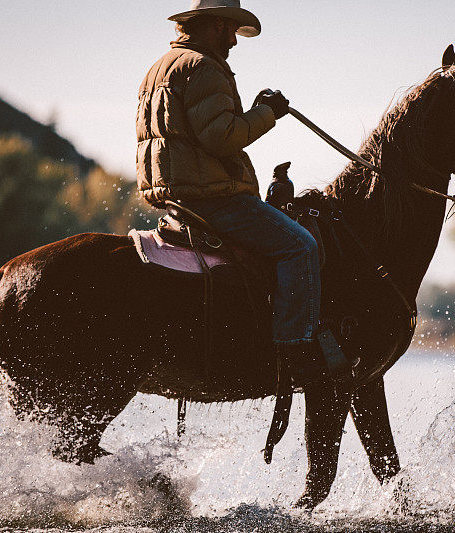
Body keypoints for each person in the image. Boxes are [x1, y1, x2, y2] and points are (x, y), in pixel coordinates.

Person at [136, 0, 324, 384]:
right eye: (233, 32)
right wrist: (267, 111)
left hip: (178, 199)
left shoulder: (159, 67)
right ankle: (292, 353)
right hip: (214, 199)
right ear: (218, 25)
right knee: (300, 245)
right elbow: (222, 137)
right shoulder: (203, 66)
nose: (235, 44)